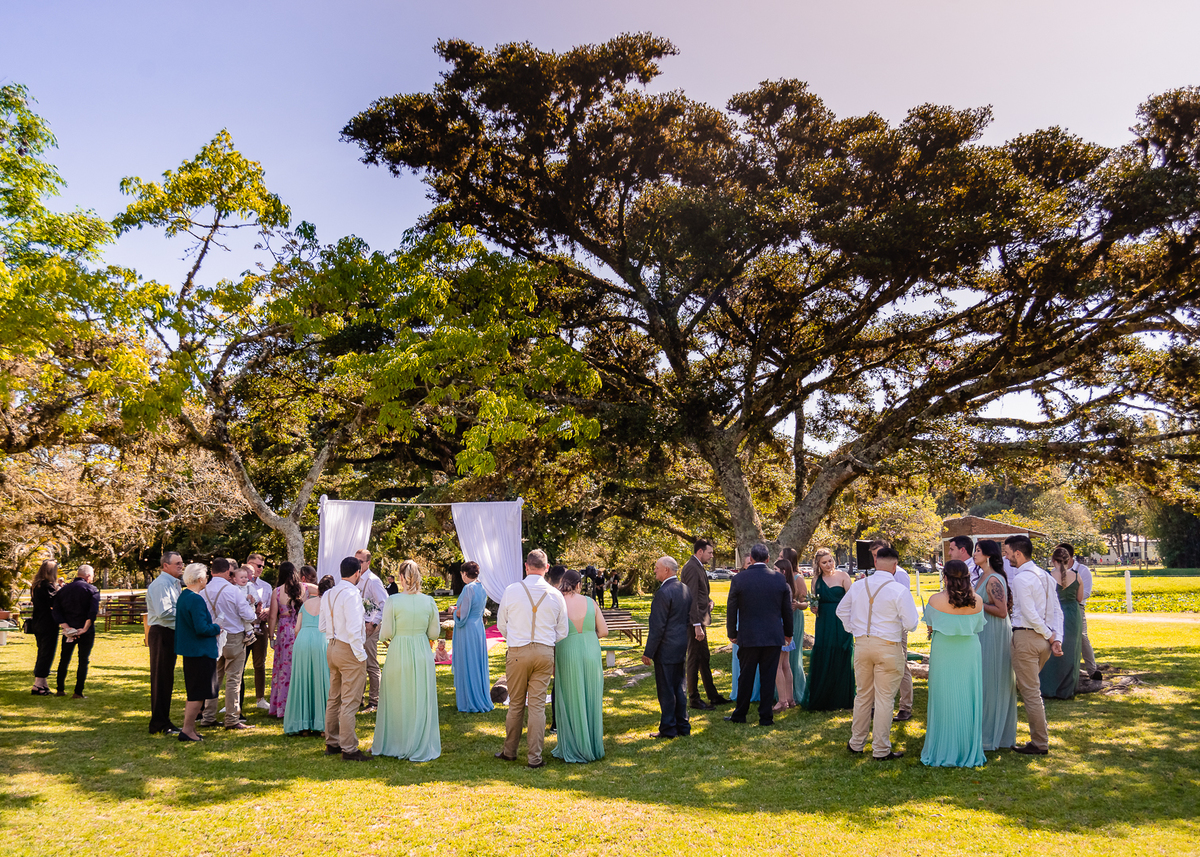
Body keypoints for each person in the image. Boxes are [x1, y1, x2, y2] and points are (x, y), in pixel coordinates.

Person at [837, 547, 919, 760]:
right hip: (887, 645)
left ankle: (856, 743)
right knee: (884, 698)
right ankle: (881, 749)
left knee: (863, 694)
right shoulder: (899, 590)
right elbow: (911, 624)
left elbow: (841, 610)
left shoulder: (858, 586)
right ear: (894, 566)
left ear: (876, 564)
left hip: (862, 644)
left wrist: (854, 629)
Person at [495, 549, 568, 769]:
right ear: (546, 568)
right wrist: (545, 641)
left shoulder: (511, 590)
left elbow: (501, 624)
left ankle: (510, 751)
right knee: (537, 706)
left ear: (526, 566)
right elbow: (562, 630)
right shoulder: (555, 594)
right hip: (545, 652)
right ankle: (534, 757)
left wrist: (516, 639)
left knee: (516, 704)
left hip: (518, 651)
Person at [921, 560, 987, 767]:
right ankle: (967, 747)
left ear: (946, 577)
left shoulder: (934, 600)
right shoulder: (978, 600)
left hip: (944, 650)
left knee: (943, 696)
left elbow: (930, 627)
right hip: (969, 650)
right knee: (968, 696)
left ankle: (942, 747)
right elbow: (977, 626)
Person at [374, 559, 441, 762]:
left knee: (397, 695)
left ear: (401, 578)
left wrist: (385, 637)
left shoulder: (393, 601)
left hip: (399, 650)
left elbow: (386, 632)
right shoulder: (429, 601)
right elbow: (434, 632)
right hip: (421, 649)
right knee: (420, 695)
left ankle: (397, 742)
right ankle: (419, 740)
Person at [1004, 534, 1064, 755]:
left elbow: (1029, 614)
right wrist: (1056, 638)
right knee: (1030, 690)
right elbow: (1057, 611)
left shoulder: (1021, 578)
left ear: (1018, 553)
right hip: (1043, 641)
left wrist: (1051, 636)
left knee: (1030, 693)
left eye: (1008, 552)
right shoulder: (1045, 576)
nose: (1006, 556)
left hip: (1028, 637)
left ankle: (1040, 743)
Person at [725, 543, 793, 727]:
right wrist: (788, 633)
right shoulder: (779, 580)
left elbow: (731, 609)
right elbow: (787, 610)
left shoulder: (740, 579)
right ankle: (765, 716)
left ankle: (740, 714)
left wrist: (732, 632)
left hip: (748, 635)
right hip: (772, 635)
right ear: (768, 559)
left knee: (745, 676)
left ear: (751, 559)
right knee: (768, 676)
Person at [320, 556, 372, 761]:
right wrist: (360, 655)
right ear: (358, 572)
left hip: (332, 646)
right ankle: (349, 748)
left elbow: (322, 626)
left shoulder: (329, 593)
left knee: (334, 698)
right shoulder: (352, 594)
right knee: (350, 701)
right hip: (349, 649)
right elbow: (353, 628)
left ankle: (332, 742)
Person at [553, 569, 608, 760]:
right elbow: (603, 631)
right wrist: (588, 635)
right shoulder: (590, 602)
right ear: (578, 585)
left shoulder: (557, 603)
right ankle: (592, 745)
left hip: (567, 650)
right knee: (591, 695)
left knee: (570, 696)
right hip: (591, 650)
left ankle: (573, 745)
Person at [198, 557, 257, 729]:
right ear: (227, 572)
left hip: (213, 638)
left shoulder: (204, 592)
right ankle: (232, 718)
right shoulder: (233, 591)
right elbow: (249, 616)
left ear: (211, 572)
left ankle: (208, 716)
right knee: (233, 680)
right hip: (233, 637)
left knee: (214, 678)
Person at [639, 556, 692, 738]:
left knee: (666, 689)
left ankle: (669, 728)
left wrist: (648, 652)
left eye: (656, 567)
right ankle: (683, 725)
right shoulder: (685, 589)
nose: (654, 570)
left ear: (667, 570)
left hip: (666, 646)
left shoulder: (663, 593)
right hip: (680, 643)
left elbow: (658, 626)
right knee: (680, 686)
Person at [973, 539, 1017, 751]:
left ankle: (993, 733)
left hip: (995, 633)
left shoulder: (994, 579)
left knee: (993, 679)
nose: (974, 554)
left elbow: (1001, 611)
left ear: (988, 554)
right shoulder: (981, 576)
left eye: (978, 551)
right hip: (983, 631)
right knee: (983, 679)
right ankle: (982, 729)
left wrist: (978, 604)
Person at [802, 548, 855, 711]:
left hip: (841, 620)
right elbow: (814, 601)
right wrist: (814, 607)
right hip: (824, 621)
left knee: (841, 652)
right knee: (824, 653)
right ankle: (823, 696)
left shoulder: (843, 576)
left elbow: (853, 598)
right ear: (818, 564)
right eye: (824, 562)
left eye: (830, 560)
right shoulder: (816, 579)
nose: (828, 564)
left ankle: (842, 697)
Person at [175, 562, 222, 742]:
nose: (207, 580)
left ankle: (190, 729)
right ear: (200, 578)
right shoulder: (195, 599)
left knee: (195, 692)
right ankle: (187, 729)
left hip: (191, 650)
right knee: (198, 694)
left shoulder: (184, 596)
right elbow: (201, 628)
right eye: (206, 577)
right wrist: (217, 627)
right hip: (200, 651)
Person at [680, 538, 729, 710]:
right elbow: (690, 597)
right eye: (710, 552)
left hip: (700, 619)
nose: (712, 555)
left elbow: (699, 593)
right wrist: (696, 625)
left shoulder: (697, 566)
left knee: (704, 658)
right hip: (694, 622)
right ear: (700, 551)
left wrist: (708, 600)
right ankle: (694, 699)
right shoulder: (692, 567)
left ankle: (713, 695)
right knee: (694, 658)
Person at [869, 539, 914, 722]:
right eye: (873, 556)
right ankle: (874, 705)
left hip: (896, 627)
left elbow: (904, 604)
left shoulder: (900, 574)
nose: (876, 558)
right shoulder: (874, 575)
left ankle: (905, 706)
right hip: (877, 627)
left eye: (878, 553)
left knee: (901, 665)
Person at [283, 575, 333, 736]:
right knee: (322, 680)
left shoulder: (306, 603)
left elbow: (297, 628)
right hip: (320, 640)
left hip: (302, 640)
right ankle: (324, 725)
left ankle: (303, 725)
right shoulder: (330, 604)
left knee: (302, 680)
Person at [146, 552, 185, 734]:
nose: (181, 566)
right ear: (165, 566)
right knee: (161, 678)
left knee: (166, 677)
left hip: (170, 632)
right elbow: (165, 612)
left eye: (182, 563)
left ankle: (163, 719)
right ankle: (159, 723)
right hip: (162, 632)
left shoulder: (173, 583)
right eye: (177, 563)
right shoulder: (162, 584)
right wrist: (186, 617)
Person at [1040, 546, 1083, 699]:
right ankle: (1066, 689)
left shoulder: (1047, 576)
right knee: (1070, 650)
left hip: (1053, 614)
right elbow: (1079, 598)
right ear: (1068, 560)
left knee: (1050, 649)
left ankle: (1049, 687)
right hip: (1072, 615)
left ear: (1053, 560)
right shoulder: (1077, 576)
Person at [52, 564, 100, 699]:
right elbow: (92, 612)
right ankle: (78, 692)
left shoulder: (63, 590)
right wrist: (84, 628)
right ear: (88, 576)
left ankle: (60, 689)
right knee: (83, 660)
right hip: (85, 630)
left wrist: (65, 626)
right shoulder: (92, 590)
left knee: (64, 659)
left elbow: (56, 610)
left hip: (69, 630)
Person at [451, 560, 493, 713]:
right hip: (478, 627)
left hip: (467, 628)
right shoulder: (482, 587)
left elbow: (463, 613)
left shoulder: (468, 588)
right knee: (477, 662)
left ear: (463, 573)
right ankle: (479, 694)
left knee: (467, 661)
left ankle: (470, 700)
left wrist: (453, 611)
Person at [354, 548, 389, 714]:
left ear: (368, 562)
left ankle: (374, 701)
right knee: (357, 662)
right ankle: (358, 698)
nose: (358, 564)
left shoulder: (373, 581)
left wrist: (374, 623)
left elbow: (385, 603)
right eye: (356, 560)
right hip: (357, 626)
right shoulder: (354, 578)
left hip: (370, 626)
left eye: (361, 561)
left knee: (371, 664)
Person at [1060, 543, 1101, 681]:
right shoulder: (1056, 571)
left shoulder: (1082, 570)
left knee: (1082, 636)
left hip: (1077, 606)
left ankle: (1092, 670)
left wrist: (1070, 597)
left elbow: (1087, 592)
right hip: (1059, 608)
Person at [267, 562, 303, 717]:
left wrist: (271, 635)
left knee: (283, 668)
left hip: (284, 632)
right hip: (300, 630)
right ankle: (299, 703)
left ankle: (282, 705)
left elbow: (272, 616)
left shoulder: (277, 591)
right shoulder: (304, 589)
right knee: (298, 666)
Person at [772, 558, 805, 712]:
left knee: (778, 665)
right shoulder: (789, 586)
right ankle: (790, 699)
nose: (773, 572)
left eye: (775, 570)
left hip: (779, 628)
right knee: (786, 665)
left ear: (783, 571)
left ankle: (782, 700)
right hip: (786, 629)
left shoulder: (781, 587)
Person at [780, 547, 809, 706]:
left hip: (794, 618)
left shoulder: (798, 577)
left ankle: (796, 692)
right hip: (779, 618)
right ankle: (781, 692)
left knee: (793, 655)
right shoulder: (779, 576)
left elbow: (806, 602)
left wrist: (798, 605)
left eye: (780, 556)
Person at [243, 554, 272, 711]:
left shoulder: (266, 586)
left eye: (262, 566)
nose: (261, 569)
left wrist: (266, 611)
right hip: (244, 628)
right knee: (239, 664)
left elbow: (271, 605)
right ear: (249, 564)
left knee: (259, 664)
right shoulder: (239, 583)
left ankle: (260, 697)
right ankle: (235, 699)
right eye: (258, 565)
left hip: (261, 627)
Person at [28, 560, 60, 696]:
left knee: (42, 651)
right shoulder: (47, 587)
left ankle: (43, 683)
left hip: (37, 623)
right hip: (47, 624)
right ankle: (38, 684)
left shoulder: (36, 586)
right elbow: (55, 602)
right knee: (47, 653)